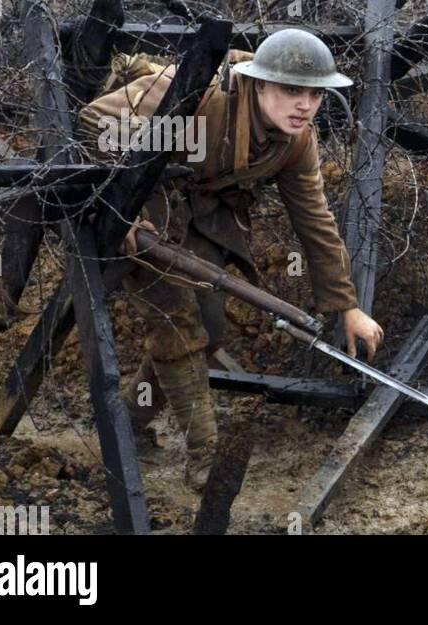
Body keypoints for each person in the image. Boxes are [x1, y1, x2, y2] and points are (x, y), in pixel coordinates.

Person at [78, 29, 383, 491]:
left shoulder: (296, 141)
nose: (305, 105)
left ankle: (124, 428)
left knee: (211, 327)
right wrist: (126, 210)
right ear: (259, 84)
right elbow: (92, 122)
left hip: (195, 213)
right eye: (291, 91)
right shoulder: (190, 93)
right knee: (176, 323)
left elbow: (315, 220)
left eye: (315, 94)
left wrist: (346, 306)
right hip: (139, 207)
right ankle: (206, 460)